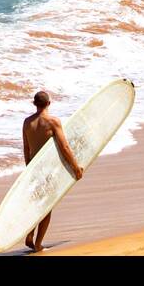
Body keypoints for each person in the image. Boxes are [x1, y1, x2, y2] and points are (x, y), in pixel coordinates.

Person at [22, 90, 83, 252]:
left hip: (33, 169)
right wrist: (76, 167)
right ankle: (37, 244)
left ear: (34, 104)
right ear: (49, 103)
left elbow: (26, 149)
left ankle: (30, 233)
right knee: (47, 207)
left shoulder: (27, 122)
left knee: (37, 204)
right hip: (49, 170)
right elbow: (64, 147)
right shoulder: (53, 122)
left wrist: (28, 171)